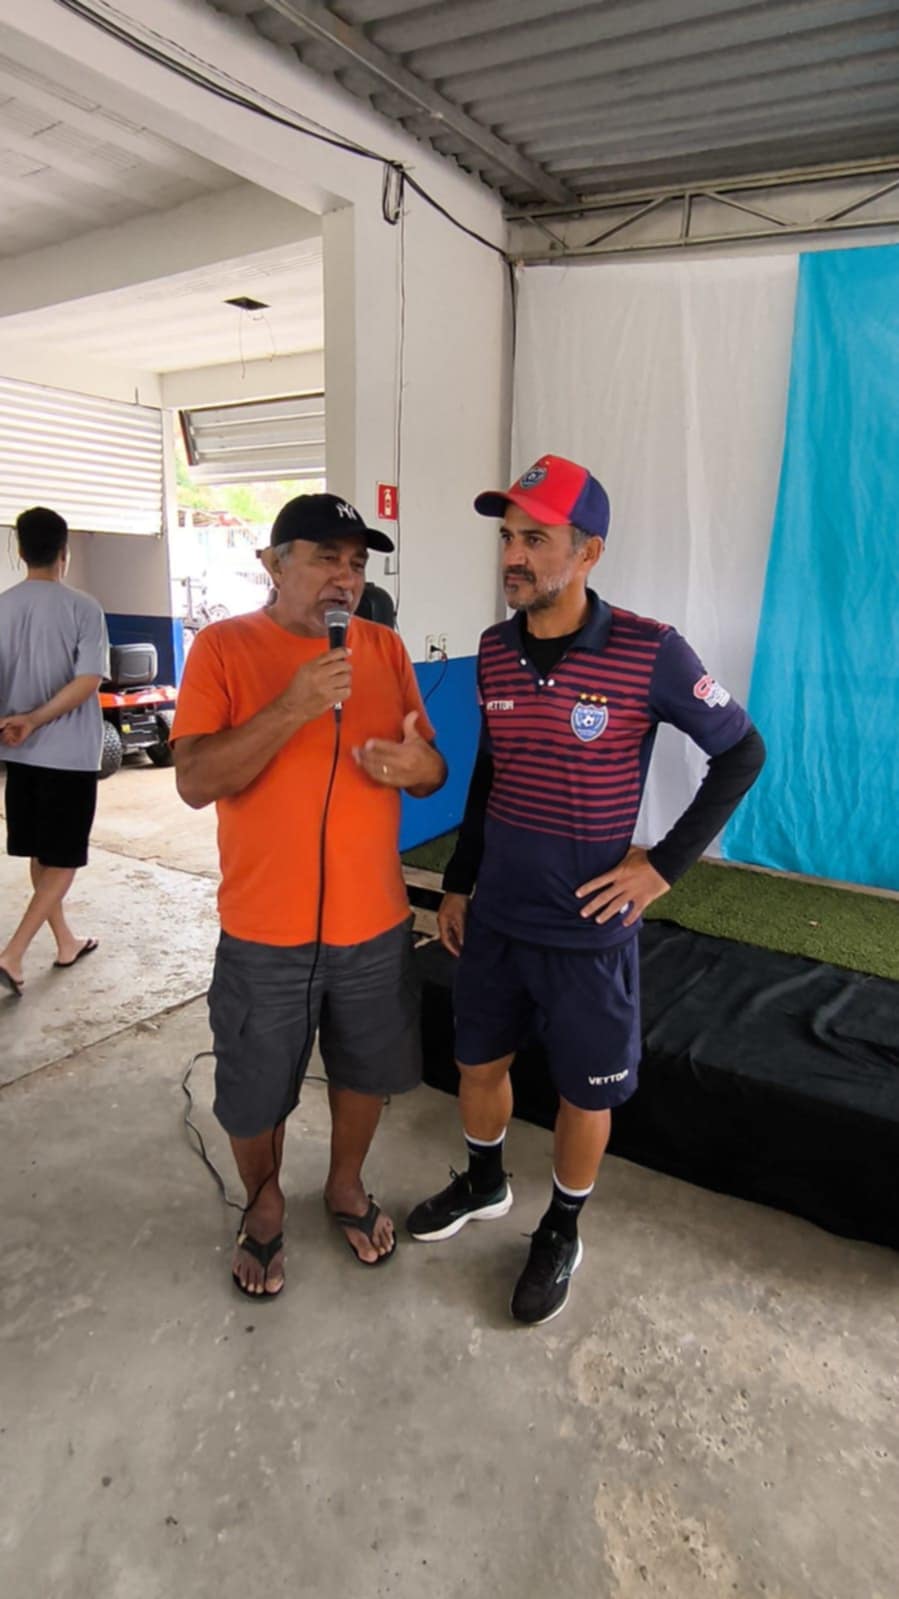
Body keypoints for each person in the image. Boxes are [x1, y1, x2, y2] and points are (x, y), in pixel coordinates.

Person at [407, 454, 765, 1326]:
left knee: (584, 1093)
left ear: (587, 551)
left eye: (535, 538)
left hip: (586, 932)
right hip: (495, 918)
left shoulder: (650, 650)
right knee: (476, 1064)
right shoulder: (494, 651)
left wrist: (660, 866)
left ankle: (561, 1227)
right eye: (507, 537)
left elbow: (741, 751)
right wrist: (458, 882)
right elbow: (491, 773)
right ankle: (485, 1182)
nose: (512, 555)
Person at [172, 493, 446, 1299]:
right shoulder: (223, 648)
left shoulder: (384, 649)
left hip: (374, 925)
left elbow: (430, 767)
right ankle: (263, 1207)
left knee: (366, 1069)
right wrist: (293, 705)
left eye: (356, 563)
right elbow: (194, 780)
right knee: (254, 1088)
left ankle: (345, 1185)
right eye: (326, 557)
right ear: (272, 563)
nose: (345, 578)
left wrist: (419, 770)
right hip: (265, 931)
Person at [0, 507, 107, 997]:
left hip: (19, 754)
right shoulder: (83, 608)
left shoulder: (3, 606)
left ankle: (65, 941)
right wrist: (38, 718)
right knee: (63, 859)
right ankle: (13, 953)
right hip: (69, 755)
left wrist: (16, 721)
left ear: (20, 550)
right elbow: (88, 680)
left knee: (43, 852)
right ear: (65, 551)